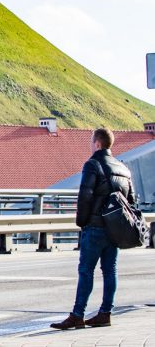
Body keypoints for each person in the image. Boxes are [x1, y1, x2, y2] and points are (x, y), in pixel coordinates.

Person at [51, 128, 135, 330]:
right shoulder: (123, 168)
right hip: (115, 230)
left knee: (86, 271)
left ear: (97, 143)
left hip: (95, 227)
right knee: (110, 271)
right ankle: (105, 313)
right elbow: (131, 201)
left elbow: (85, 196)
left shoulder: (92, 164)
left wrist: (81, 222)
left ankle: (77, 315)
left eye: (91, 142)